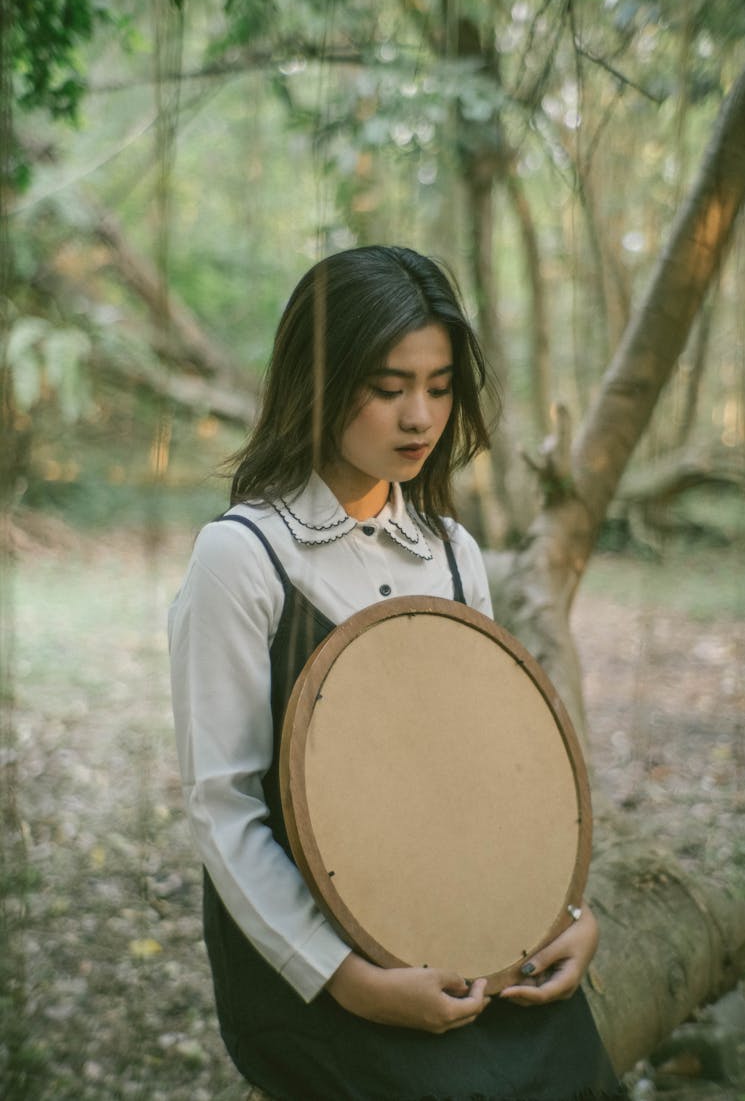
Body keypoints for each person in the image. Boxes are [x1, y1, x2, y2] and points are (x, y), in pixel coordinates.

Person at [168, 245, 624, 1101]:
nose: (421, 416)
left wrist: (560, 916)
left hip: (464, 928)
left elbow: (489, 776)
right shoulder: (242, 556)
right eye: (388, 388)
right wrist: (346, 975)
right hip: (307, 963)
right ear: (322, 380)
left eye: (440, 386)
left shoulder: (453, 558)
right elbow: (222, 805)